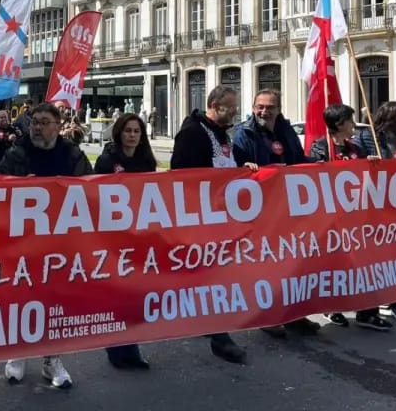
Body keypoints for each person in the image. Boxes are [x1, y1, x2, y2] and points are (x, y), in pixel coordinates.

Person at [0, 103, 94, 389]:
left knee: (55, 302)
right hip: (23, 245)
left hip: (62, 245)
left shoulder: (73, 154)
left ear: (58, 124)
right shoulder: (16, 154)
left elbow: (91, 191)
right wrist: (17, 188)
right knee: (22, 299)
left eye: (43, 122)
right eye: (34, 122)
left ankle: (52, 360)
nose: (37, 127)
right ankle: (17, 352)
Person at [171, 85, 257, 364]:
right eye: (230, 106)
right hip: (201, 218)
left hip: (221, 217)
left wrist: (247, 168)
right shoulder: (193, 133)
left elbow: (227, 165)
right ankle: (220, 335)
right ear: (213, 104)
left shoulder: (222, 133)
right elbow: (181, 175)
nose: (235, 110)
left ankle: (206, 325)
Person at [232, 88, 321, 339]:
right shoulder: (244, 133)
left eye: (270, 107)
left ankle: (295, 314)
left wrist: (317, 164)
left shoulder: (286, 130)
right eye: (260, 106)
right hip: (261, 211)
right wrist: (244, 168)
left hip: (289, 208)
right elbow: (234, 170)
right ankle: (267, 316)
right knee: (266, 267)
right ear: (253, 108)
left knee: (293, 263)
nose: (264, 111)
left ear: (278, 109)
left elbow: (296, 158)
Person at [308, 104, 393, 331]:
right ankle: (332, 306)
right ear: (338, 124)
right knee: (335, 266)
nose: (354, 125)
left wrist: (372, 164)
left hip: (357, 221)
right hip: (332, 221)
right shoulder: (321, 148)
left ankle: (368, 312)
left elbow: (366, 177)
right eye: (349, 121)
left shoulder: (355, 147)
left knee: (365, 265)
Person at [94, 113, 154, 370]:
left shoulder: (147, 161)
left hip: (138, 235)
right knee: (117, 294)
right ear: (119, 133)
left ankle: (133, 349)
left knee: (135, 294)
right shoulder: (107, 159)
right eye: (128, 130)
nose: (132, 135)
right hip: (112, 236)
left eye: (136, 131)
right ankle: (117, 350)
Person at [353, 101, 396, 324]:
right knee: (372, 259)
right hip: (371, 210)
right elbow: (352, 166)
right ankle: (368, 304)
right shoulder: (366, 138)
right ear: (391, 118)